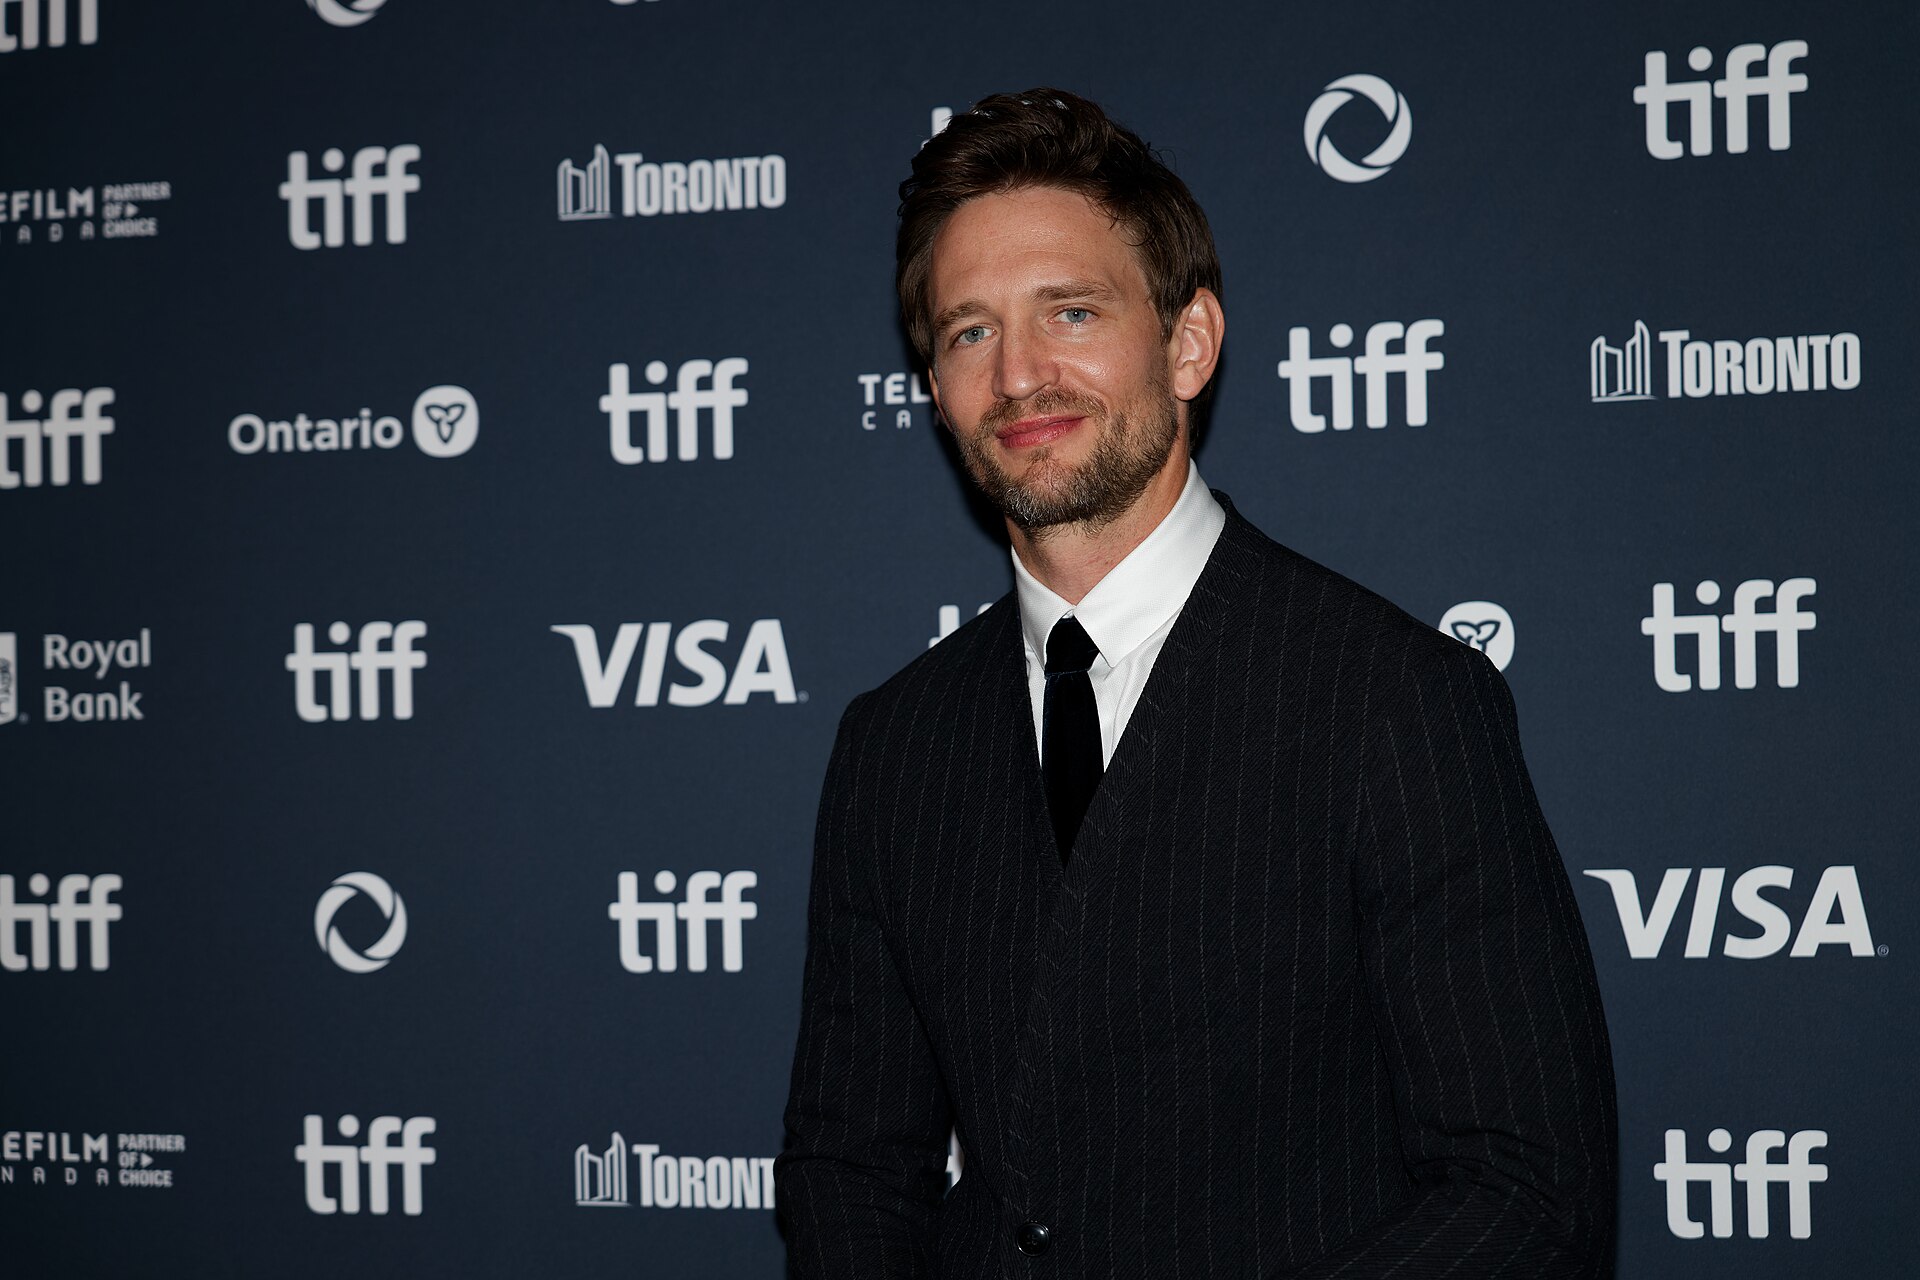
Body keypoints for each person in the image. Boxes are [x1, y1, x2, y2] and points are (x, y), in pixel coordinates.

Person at [776, 88, 1616, 1278]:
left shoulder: (1394, 699)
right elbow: (846, 1165)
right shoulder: (892, 744)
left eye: (1068, 311)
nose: (1018, 374)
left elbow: (1524, 1185)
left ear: (1188, 343)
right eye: (968, 332)